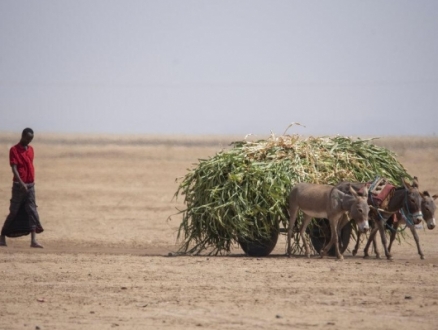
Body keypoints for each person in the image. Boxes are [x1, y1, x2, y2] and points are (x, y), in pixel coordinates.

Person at [0, 128, 44, 248]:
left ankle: (33, 240)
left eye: (31, 139)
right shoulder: (14, 150)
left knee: (32, 211)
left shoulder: (31, 150)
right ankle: (2, 235)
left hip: (30, 185)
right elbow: (14, 168)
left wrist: (29, 183)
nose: (29, 141)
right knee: (14, 211)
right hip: (18, 186)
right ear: (23, 136)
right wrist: (21, 182)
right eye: (28, 138)